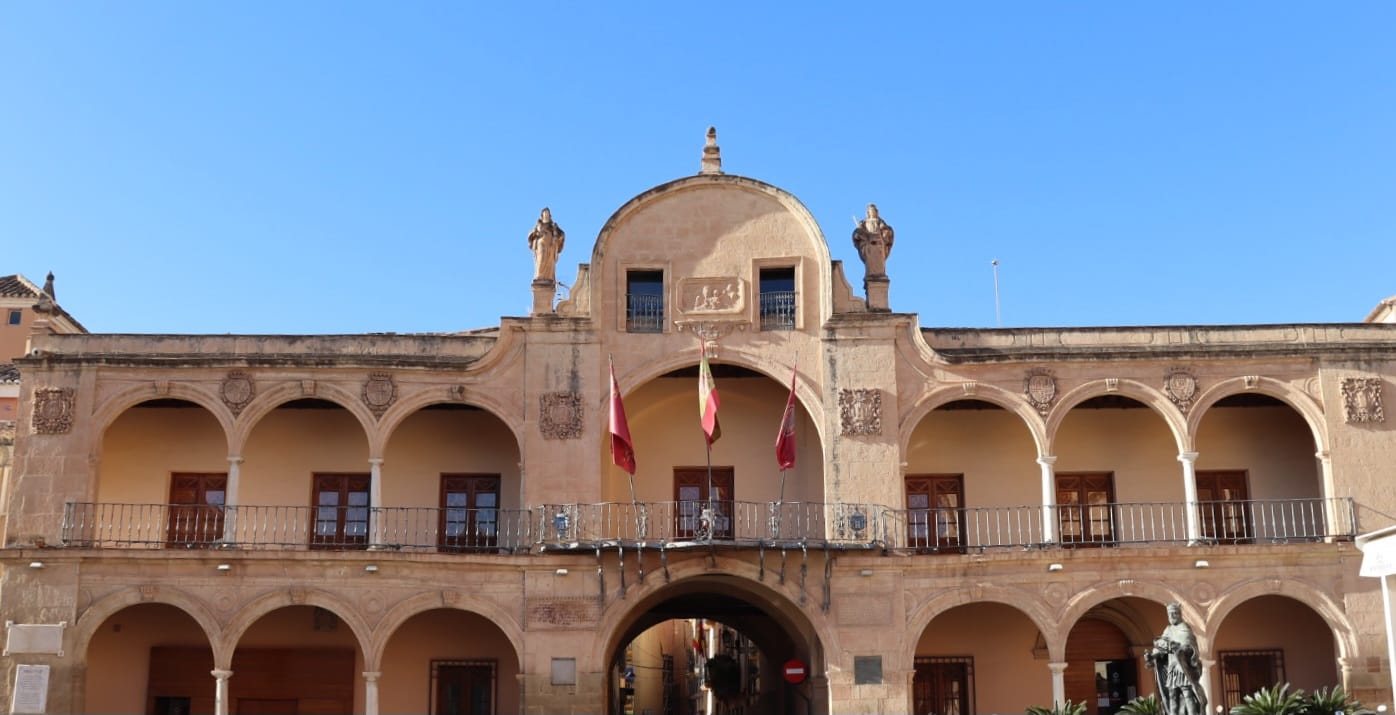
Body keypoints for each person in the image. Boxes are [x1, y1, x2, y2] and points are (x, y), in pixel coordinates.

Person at [1145, 603, 1207, 715]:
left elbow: (1189, 645)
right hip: (1172, 668)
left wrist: (1180, 648)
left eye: (1175, 613)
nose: (1172, 616)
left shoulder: (1185, 628)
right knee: (1172, 694)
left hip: (1183, 668)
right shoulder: (1168, 629)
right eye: (1170, 614)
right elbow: (1160, 647)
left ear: (1179, 614)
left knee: (1187, 693)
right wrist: (1152, 656)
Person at [852, 203, 894, 279]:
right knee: (870, 261)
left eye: (873, 210)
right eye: (870, 210)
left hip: (878, 243)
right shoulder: (864, 222)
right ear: (868, 212)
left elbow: (885, 230)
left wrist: (885, 232)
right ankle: (871, 274)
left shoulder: (880, 221)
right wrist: (861, 233)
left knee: (879, 262)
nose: (872, 212)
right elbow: (858, 232)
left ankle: (879, 274)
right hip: (869, 245)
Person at [528, 207, 565, 283]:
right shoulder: (538, 225)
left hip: (550, 246)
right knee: (541, 260)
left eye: (547, 213)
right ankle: (539, 276)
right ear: (542, 215)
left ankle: (549, 277)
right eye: (545, 213)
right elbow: (531, 235)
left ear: (549, 215)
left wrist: (556, 234)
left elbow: (562, 234)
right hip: (541, 245)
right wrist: (536, 233)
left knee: (549, 263)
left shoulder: (553, 226)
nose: (546, 215)